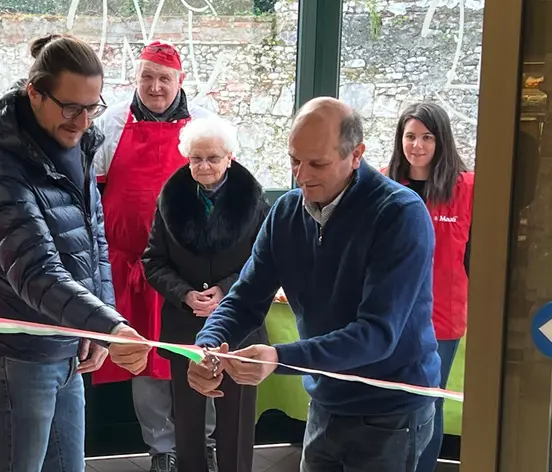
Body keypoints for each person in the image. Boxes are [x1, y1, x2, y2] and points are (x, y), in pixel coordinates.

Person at [183, 97, 441, 471]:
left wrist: (279, 357)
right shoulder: (286, 213)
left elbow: (377, 334)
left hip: (391, 412)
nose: (301, 175)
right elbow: (244, 300)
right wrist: (206, 348)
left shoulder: (400, 214)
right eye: (294, 160)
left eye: (317, 163)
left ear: (356, 155)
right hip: (325, 402)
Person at [0, 33, 151, 472]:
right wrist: (110, 324)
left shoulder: (78, 146)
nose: (83, 121)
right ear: (34, 93)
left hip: (67, 346)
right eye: (70, 108)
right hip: (17, 356)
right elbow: (36, 271)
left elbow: (95, 242)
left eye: (92, 108)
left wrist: (101, 323)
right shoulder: (0, 167)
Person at [92, 39, 217, 472]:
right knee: (144, 361)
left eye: (165, 78)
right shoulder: (109, 123)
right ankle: (161, 447)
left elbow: (223, 188)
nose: (156, 86)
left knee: (199, 354)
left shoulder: (203, 125)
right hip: (133, 266)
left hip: (190, 268)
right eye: (148, 77)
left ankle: (203, 443)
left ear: (180, 81)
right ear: (136, 78)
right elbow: (95, 192)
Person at [141, 116, 269, 472]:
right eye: (196, 159)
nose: (204, 166)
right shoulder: (171, 198)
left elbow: (266, 261)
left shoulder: (254, 200)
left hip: (240, 324)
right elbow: (153, 261)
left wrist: (225, 290)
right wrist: (184, 294)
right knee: (187, 418)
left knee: (237, 419)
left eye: (212, 158)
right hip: (186, 324)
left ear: (230, 157)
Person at [384, 102, 473, 472]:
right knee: (388, 399)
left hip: (442, 318)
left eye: (426, 137)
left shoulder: (466, 187)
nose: (417, 145)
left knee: (428, 402)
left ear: (442, 141)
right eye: (410, 136)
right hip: (389, 314)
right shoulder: (384, 182)